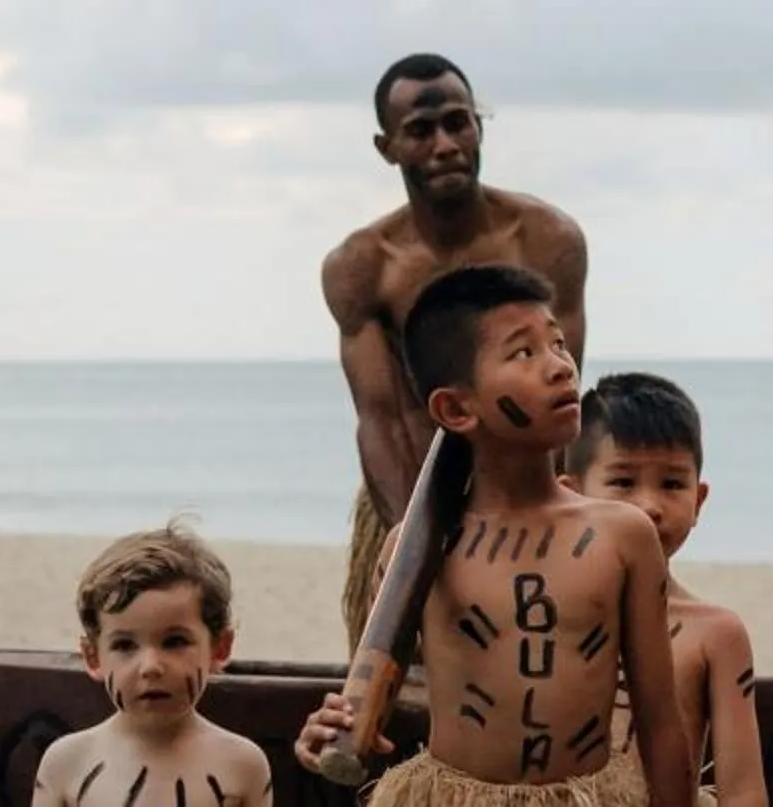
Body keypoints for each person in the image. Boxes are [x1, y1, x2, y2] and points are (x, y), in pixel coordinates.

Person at [293, 263, 692, 807]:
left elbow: (662, 722)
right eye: (523, 353)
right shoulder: (413, 552)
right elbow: (366, 703)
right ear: (456, 408)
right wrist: (326, 731)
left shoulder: (624, 537)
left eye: (558, 344)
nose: (559, 367)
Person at [325, 53, 595, 643]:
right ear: (387, 147)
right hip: (412, 498)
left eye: (458, 122)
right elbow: (383, 419)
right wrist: (415, 548)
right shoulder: (364, 267)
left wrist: (538, 526)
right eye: (420, 131)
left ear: (478, 125)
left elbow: (558, 398)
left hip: (528, 495)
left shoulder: (546, 240)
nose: (445, 144)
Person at [565, 371, 768, 806]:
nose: (649, 507)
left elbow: (744, 789)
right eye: (623, 482)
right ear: (571, 498)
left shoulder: (716, 634)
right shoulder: (544, 615)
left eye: (673, 484)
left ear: (699, 501)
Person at [31, 520, 272, 807]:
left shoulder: (243, 765)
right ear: (93, 657)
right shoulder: (66, 763)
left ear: (219, 647)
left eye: (175, 642)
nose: (150, 667)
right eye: (124, 645)